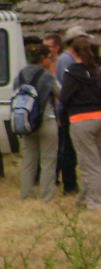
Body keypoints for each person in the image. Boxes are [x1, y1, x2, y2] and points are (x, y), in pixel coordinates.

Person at [14, 45, 60, 201]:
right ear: (43, 59)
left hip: (26, 122)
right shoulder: (47, 76)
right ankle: (46, 196)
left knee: (28, 160)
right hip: (46, 120)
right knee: (48, 160)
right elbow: (60, 93)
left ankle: (27, 195)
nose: (51, 61)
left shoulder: (21, 75)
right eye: (49, 58)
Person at [60, 36, 101, 210]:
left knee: (89, 163)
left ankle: (96, 201)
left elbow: (64, 97)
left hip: (81, 120)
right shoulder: (97, 71)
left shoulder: (72, 72)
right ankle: (84, 199)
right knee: (93, 160)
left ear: (73, 52)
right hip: (99, 117)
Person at [56, 26, 90, 194]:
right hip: (71, 110)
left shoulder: (71, 60)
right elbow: (64, 90)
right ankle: (69, 184)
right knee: (69, 149)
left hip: (75, 109)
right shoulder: (67, 61)